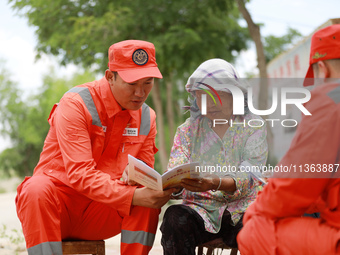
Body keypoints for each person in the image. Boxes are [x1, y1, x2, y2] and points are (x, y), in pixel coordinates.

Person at [15, 40, 175, 255]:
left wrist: (148, 182)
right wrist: (132, 196)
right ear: (110, 77)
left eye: (148, 82)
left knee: (147, 199)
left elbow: (144, 172)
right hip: (56, 209)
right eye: (131, 84)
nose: (140, 92)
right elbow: (80, 174)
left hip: (101, 213)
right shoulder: (76, 104)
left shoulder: (147, 117)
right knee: (35, 189)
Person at [237, 24, 340, 255]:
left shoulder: (332, 97)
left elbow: (294, 186)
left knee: (254, 230)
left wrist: (256, 209)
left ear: (322, 69)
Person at [160, 58, 268, 255]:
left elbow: (251, 174)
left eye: (216, 96)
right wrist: (172, 184)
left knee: (261, 225)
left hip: (243, 210)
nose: (208, 104)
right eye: (202, 97)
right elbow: (176, 168)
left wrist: (215, 183)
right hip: (201, 211)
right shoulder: (187, 131)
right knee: (174, 217)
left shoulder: (253, 126)